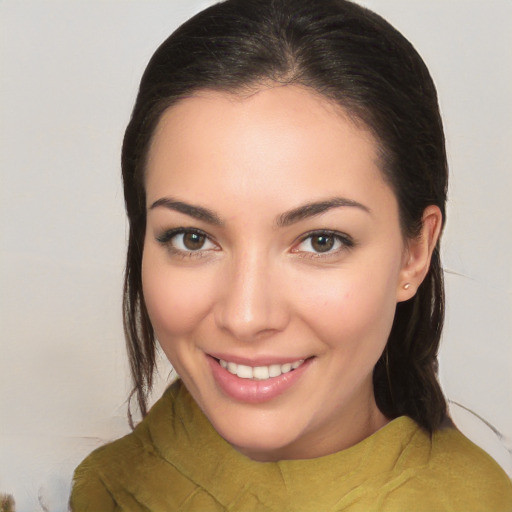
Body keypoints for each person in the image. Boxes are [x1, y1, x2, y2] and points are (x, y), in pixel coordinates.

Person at [70, 0, 512, 510]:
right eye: (192, 238)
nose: (246, 316)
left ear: (414, 252)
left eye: (321, 241)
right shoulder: (103, 486)